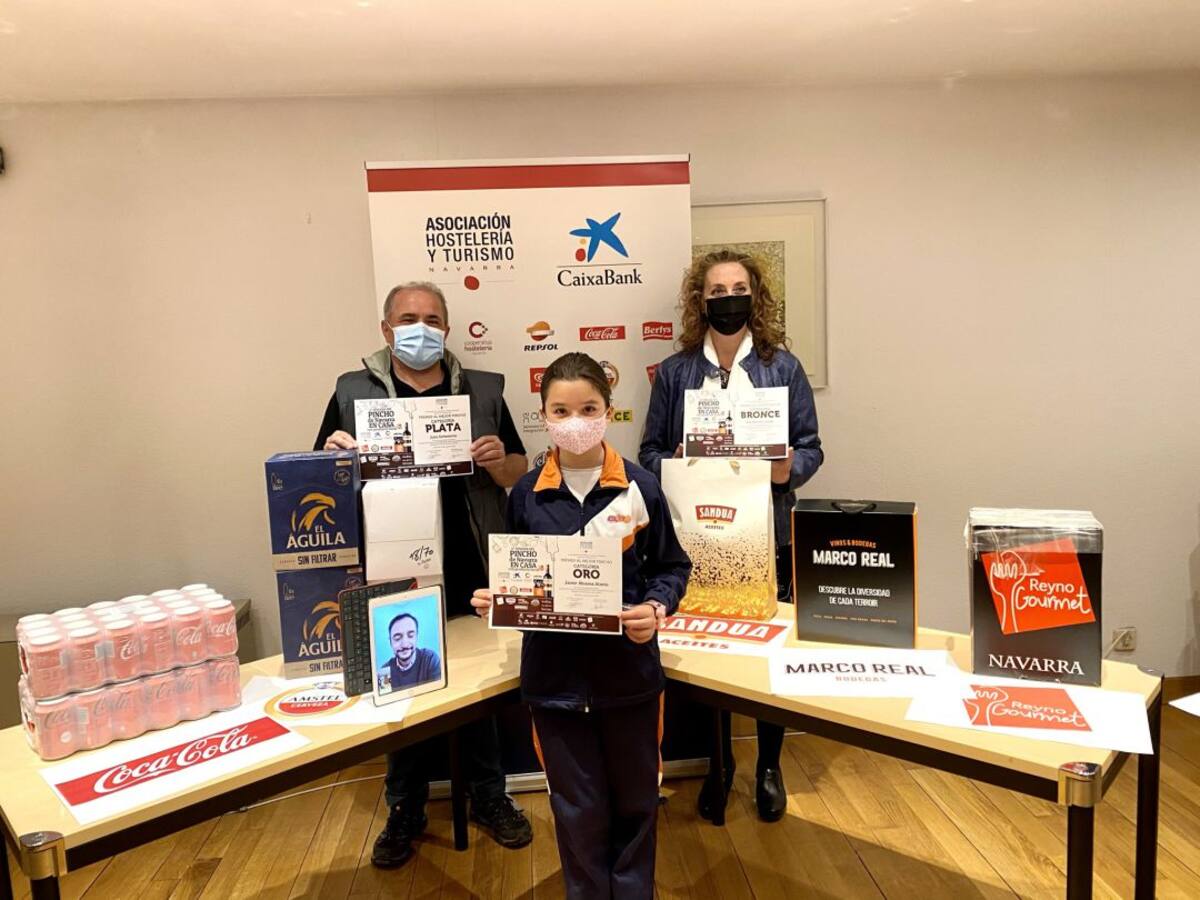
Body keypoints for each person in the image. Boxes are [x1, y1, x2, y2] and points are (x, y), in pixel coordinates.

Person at [316, 280, 532, 868]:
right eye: (409, 318)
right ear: (386, 330)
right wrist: (336, 459)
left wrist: (500, 461)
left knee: (479, 687)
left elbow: (519, 470)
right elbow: (322, 480)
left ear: (448, 328)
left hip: (469, 556)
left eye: (433, 319)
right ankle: (405, 807)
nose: (421, 328)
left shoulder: (483, 389)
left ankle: (490, 796)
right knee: (399, 686)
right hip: (391, 563)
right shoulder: (351, 391)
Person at [470, 352, 691, 900]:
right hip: (554, 685)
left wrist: (656, 607)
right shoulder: (525, 495)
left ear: (609, 412)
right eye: (561, 410)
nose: (575, 422)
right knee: (577, 811)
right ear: (543, 416)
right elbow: (516, 579)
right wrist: (498, 599)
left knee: (637, 804)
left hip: (630, 680)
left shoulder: (641, 486)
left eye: (588, 409)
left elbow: (672, 567)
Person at [639, 249, 824, 824]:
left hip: (768, 534)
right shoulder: (675, 372)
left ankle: (768, 765)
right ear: (700, 300)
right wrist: (676, 461)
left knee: (766, 651)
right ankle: (718, 765)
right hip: (698, 536)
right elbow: (647, 452)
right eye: (716, 291)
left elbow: (812, 447)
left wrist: (787, 468)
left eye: (738, 288)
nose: (728, 299)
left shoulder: (782, 368)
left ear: (755, 296)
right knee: (708, 650)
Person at [377, 612, 441, 691]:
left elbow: (438, 693)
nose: (405, 644)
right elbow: (386, 698)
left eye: (410, 636)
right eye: (397, 638)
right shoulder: (385, 671)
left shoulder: (430, 659)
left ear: (416, 637)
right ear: (390, 642)